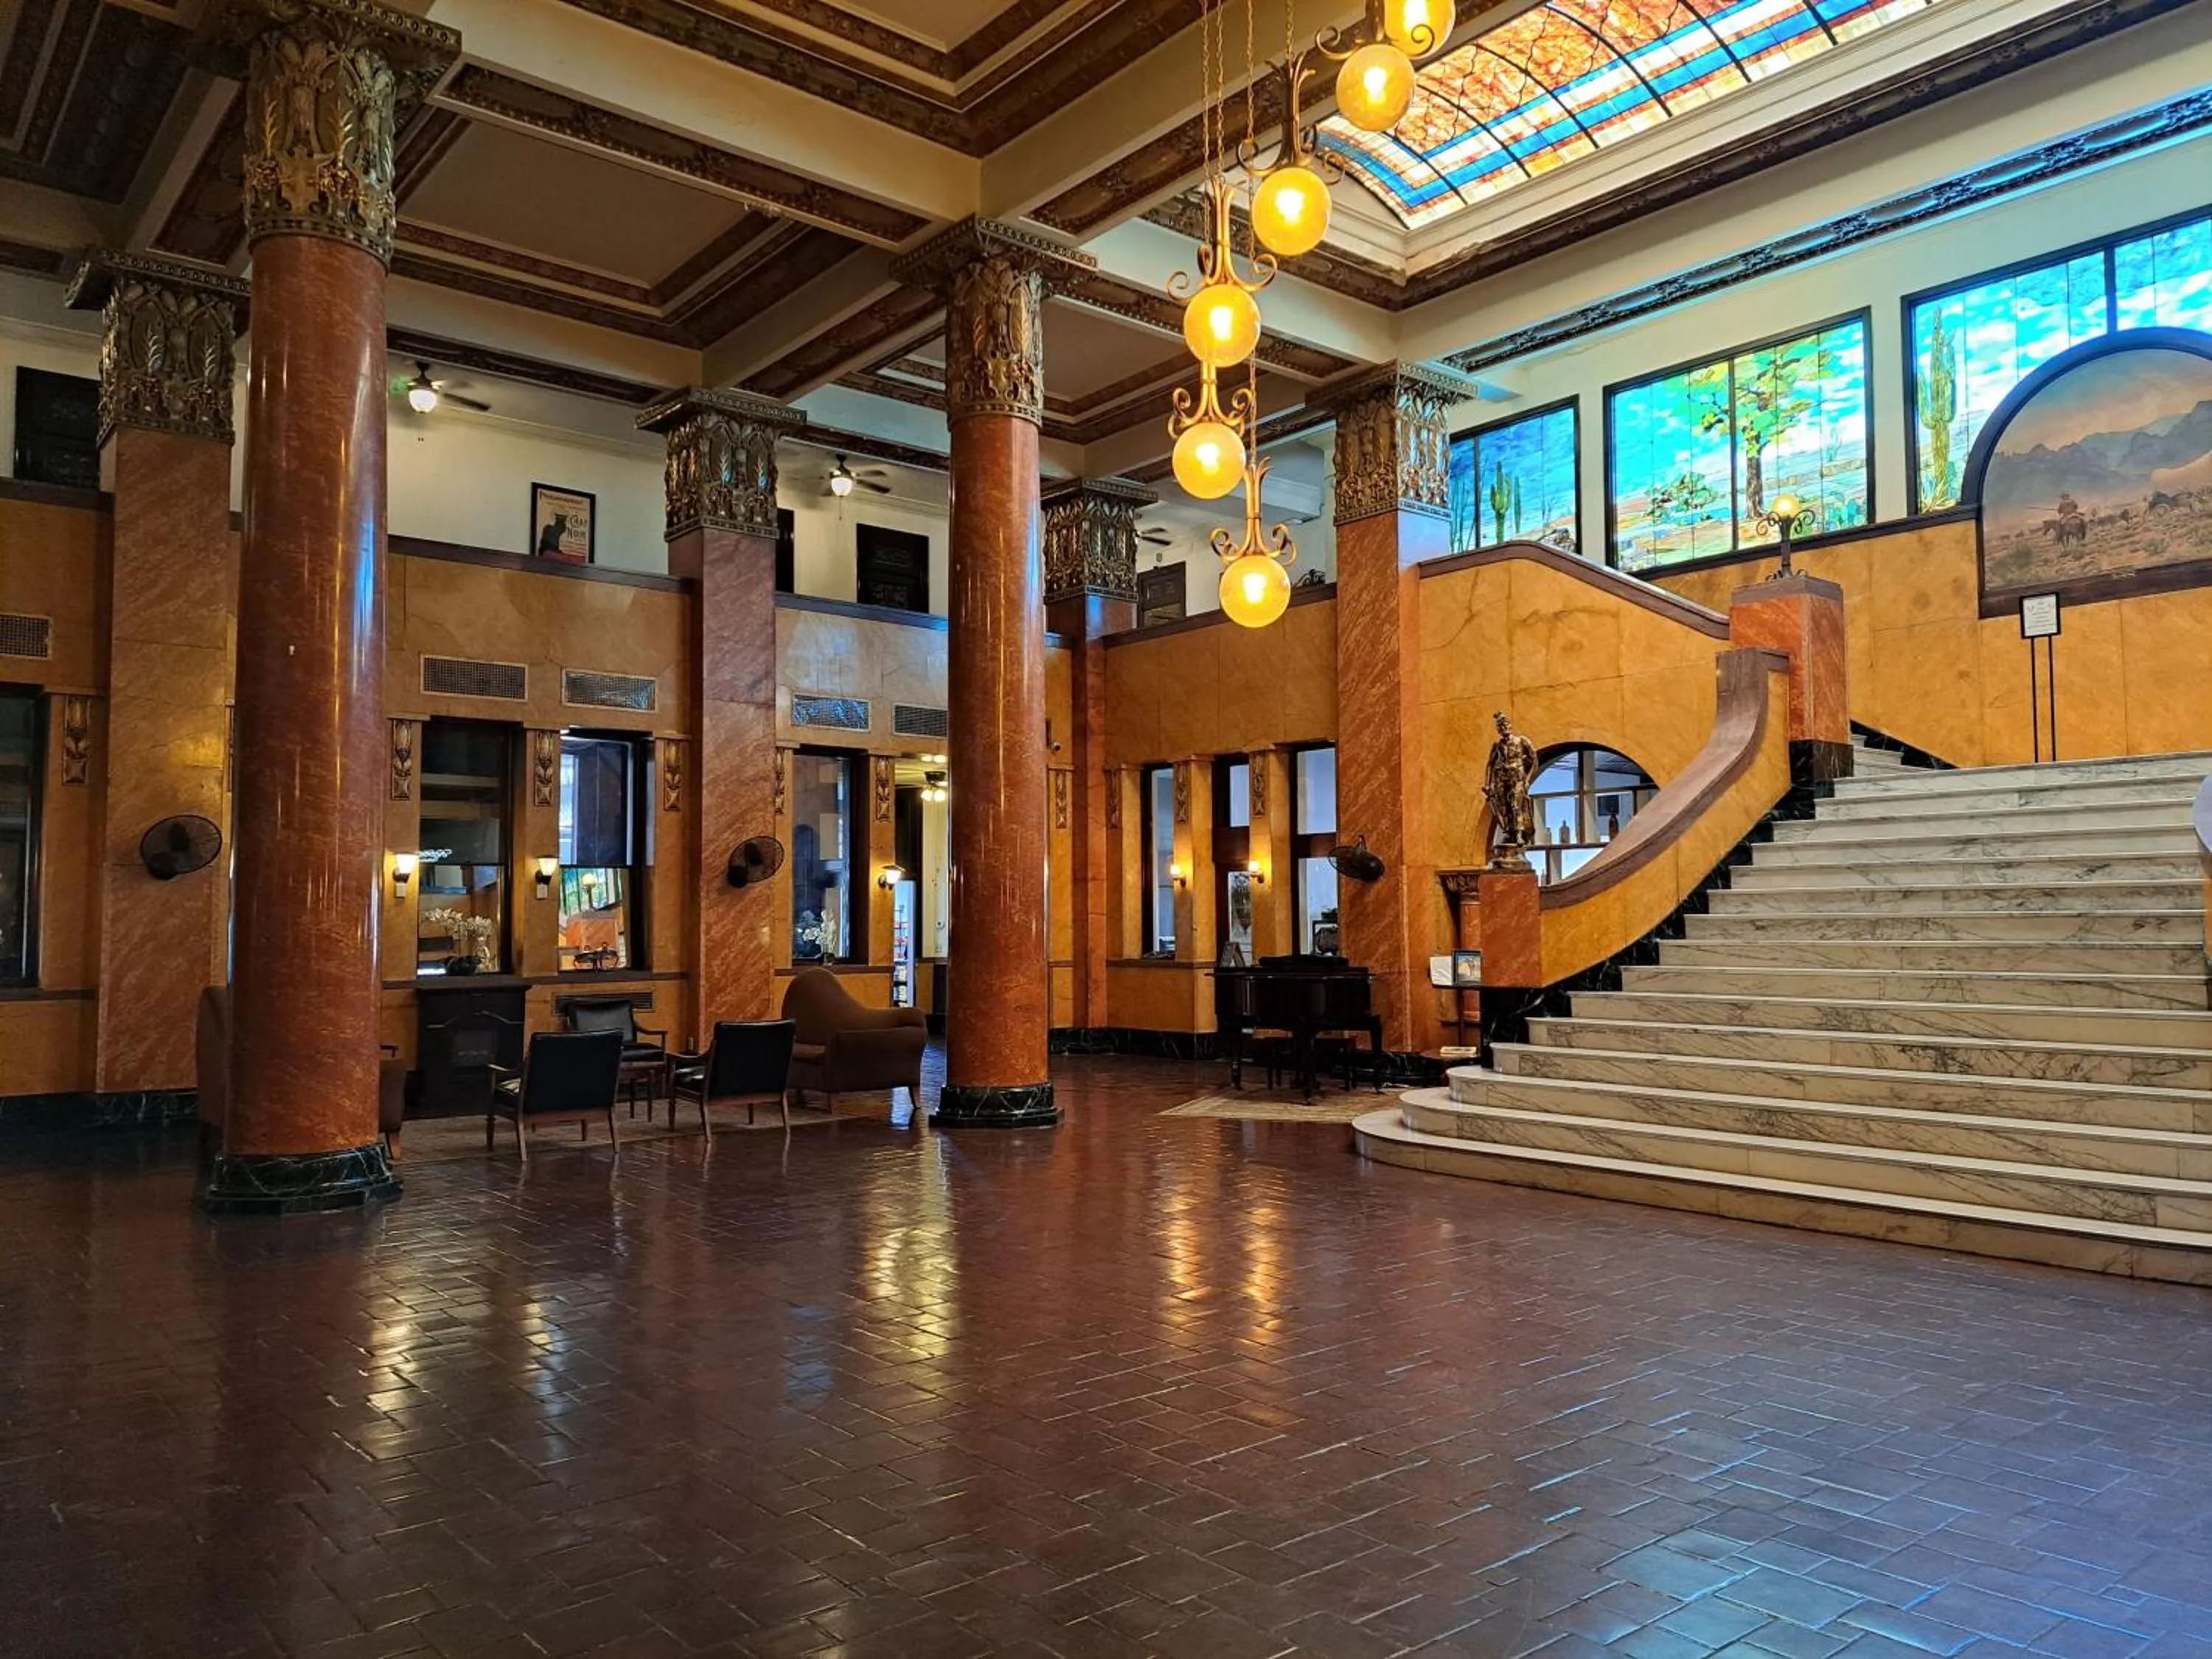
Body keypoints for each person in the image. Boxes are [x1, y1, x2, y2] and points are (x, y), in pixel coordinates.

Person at [1483, 712, 1538, 873]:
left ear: (1510, 726)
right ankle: (1509, 831)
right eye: (1501, 727)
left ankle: (1519, 833)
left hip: (1518, 776)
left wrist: (1528, 779)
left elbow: (1534, 760)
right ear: (1499, 730)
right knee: (1503, 807)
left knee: (1516, 805)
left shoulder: (1521, 741)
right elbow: (1490, 765)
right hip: (1502, 777)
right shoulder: (1498, 745)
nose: (1504, 728)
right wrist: (1488, 784)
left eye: (1506, 725)